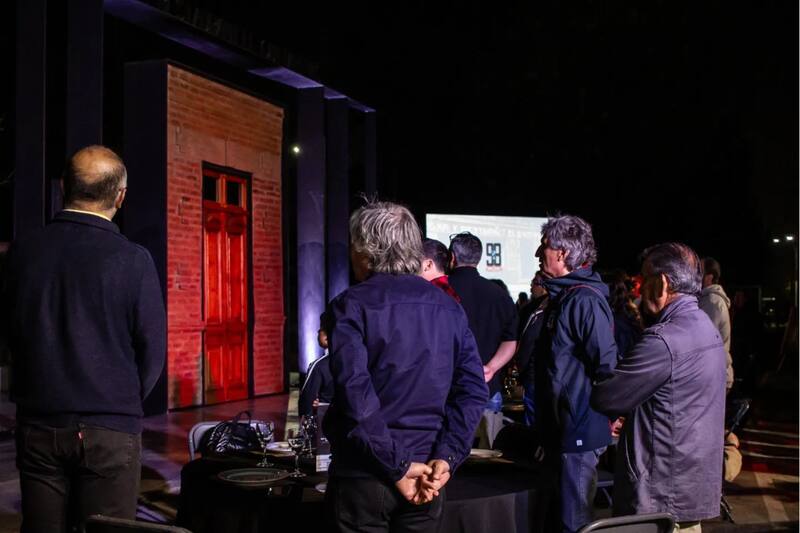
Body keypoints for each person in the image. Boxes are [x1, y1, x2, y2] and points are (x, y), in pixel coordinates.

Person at [1, 145, 166, 532]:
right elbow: (152, 350)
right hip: (110, 428)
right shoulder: (133, 259)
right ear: (120, 197)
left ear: (63, 187)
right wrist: (118, 400)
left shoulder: (25, 251)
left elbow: (11, 332)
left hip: (41, 423)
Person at [323, 201, 487, 533]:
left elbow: (357, 397)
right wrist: (447, 458)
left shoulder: (350, 305)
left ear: (367, 249)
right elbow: (472, 392)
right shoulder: (449, 309)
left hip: (365, 476)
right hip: (428, 473)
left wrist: (398, 467)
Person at [592, 243, 726, 532]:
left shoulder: (664, 340)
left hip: (660, 494)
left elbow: (607, 396)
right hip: (689, 488)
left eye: (642, 280)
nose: (637, 290)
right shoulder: (705, 327)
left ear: (662, 283)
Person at [532, 214, 617, 533]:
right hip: (563, 432)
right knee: (558, 520)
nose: (538, 254)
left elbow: (607, 366)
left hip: (578, 433)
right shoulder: (564, 298)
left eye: (544, 247)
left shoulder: (583, 300)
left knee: (573, 523)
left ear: (563, 253)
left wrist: (601, 416)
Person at [448, 232, 518, 412]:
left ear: (452, 258)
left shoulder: (439, 291)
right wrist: (491, 368)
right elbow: (511, 340)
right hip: (487, 388)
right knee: (489, 439)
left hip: (449, 390)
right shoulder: (499, 294)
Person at [515, 271, 550, 427]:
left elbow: (529, 342)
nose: (530, 286)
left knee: (535, 426)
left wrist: (523, 369)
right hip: (533, 375)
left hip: (535, 376)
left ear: (543, 286)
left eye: (534, 283)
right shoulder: (535, 308)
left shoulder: (542, 310)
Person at [698, 257, 734, 391]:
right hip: (713, 374)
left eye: (699, 271)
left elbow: (703, 341)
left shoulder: (712, 302)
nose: (694, 275)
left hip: (716, 377)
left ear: (709, 277)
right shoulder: (706, 300)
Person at [298, 311, 335, 417]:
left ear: (326, 338)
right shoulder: (356, 360)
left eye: (320, 330)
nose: (317, 333)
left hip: (327, 421)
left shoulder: (319, 366)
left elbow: (307, 399)